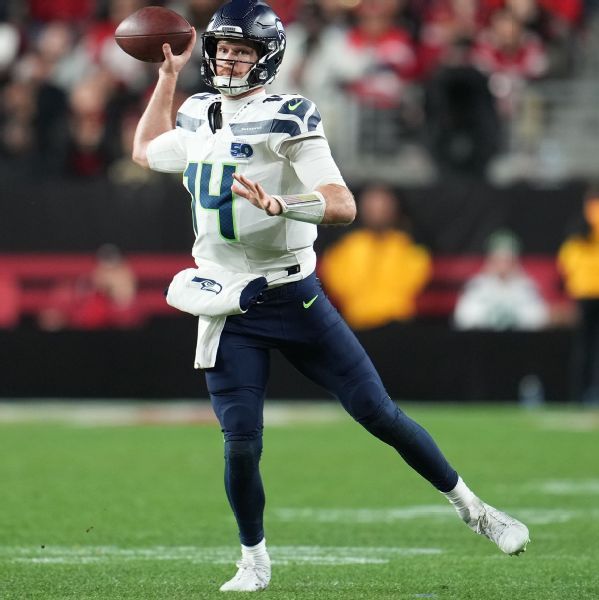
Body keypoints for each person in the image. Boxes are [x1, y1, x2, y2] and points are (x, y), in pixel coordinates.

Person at [132, 0, 529, 592]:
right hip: (230, 303)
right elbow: (144, 150)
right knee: (240, 443)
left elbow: (342, 204)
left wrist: (282, 204)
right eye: (223, 50)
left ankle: (474, 509)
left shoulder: (288, 116)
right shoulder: (195, 113)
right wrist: (166, 77)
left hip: (294, 295)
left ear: (267, 57)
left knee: (378, 413)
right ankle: (253, 559)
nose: (229, 60)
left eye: (242, 50)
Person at [320, 184, 432, 330]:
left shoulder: (408, 247)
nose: (377, 211)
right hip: (357, 323)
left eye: (383, 206)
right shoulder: (346, 248)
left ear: (394, 209)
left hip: (398, 325)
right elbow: (338, 283)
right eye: (372, 206)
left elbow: (413, 281)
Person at [454, 229, 549, 330]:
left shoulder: (527, 288)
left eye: (507, 259)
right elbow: (464, 318)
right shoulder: (476, 286)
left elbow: (539, 319)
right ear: (490, 259)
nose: (503, 265)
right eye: (499, 259)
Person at [558, 186, 599, 404]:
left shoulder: (579, 226)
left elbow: (565, 261)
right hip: (586, 293)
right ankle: (585, 393)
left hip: (583, 292)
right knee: (587, 347)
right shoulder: (581, 228)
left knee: (583, 347)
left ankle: (580, 394)